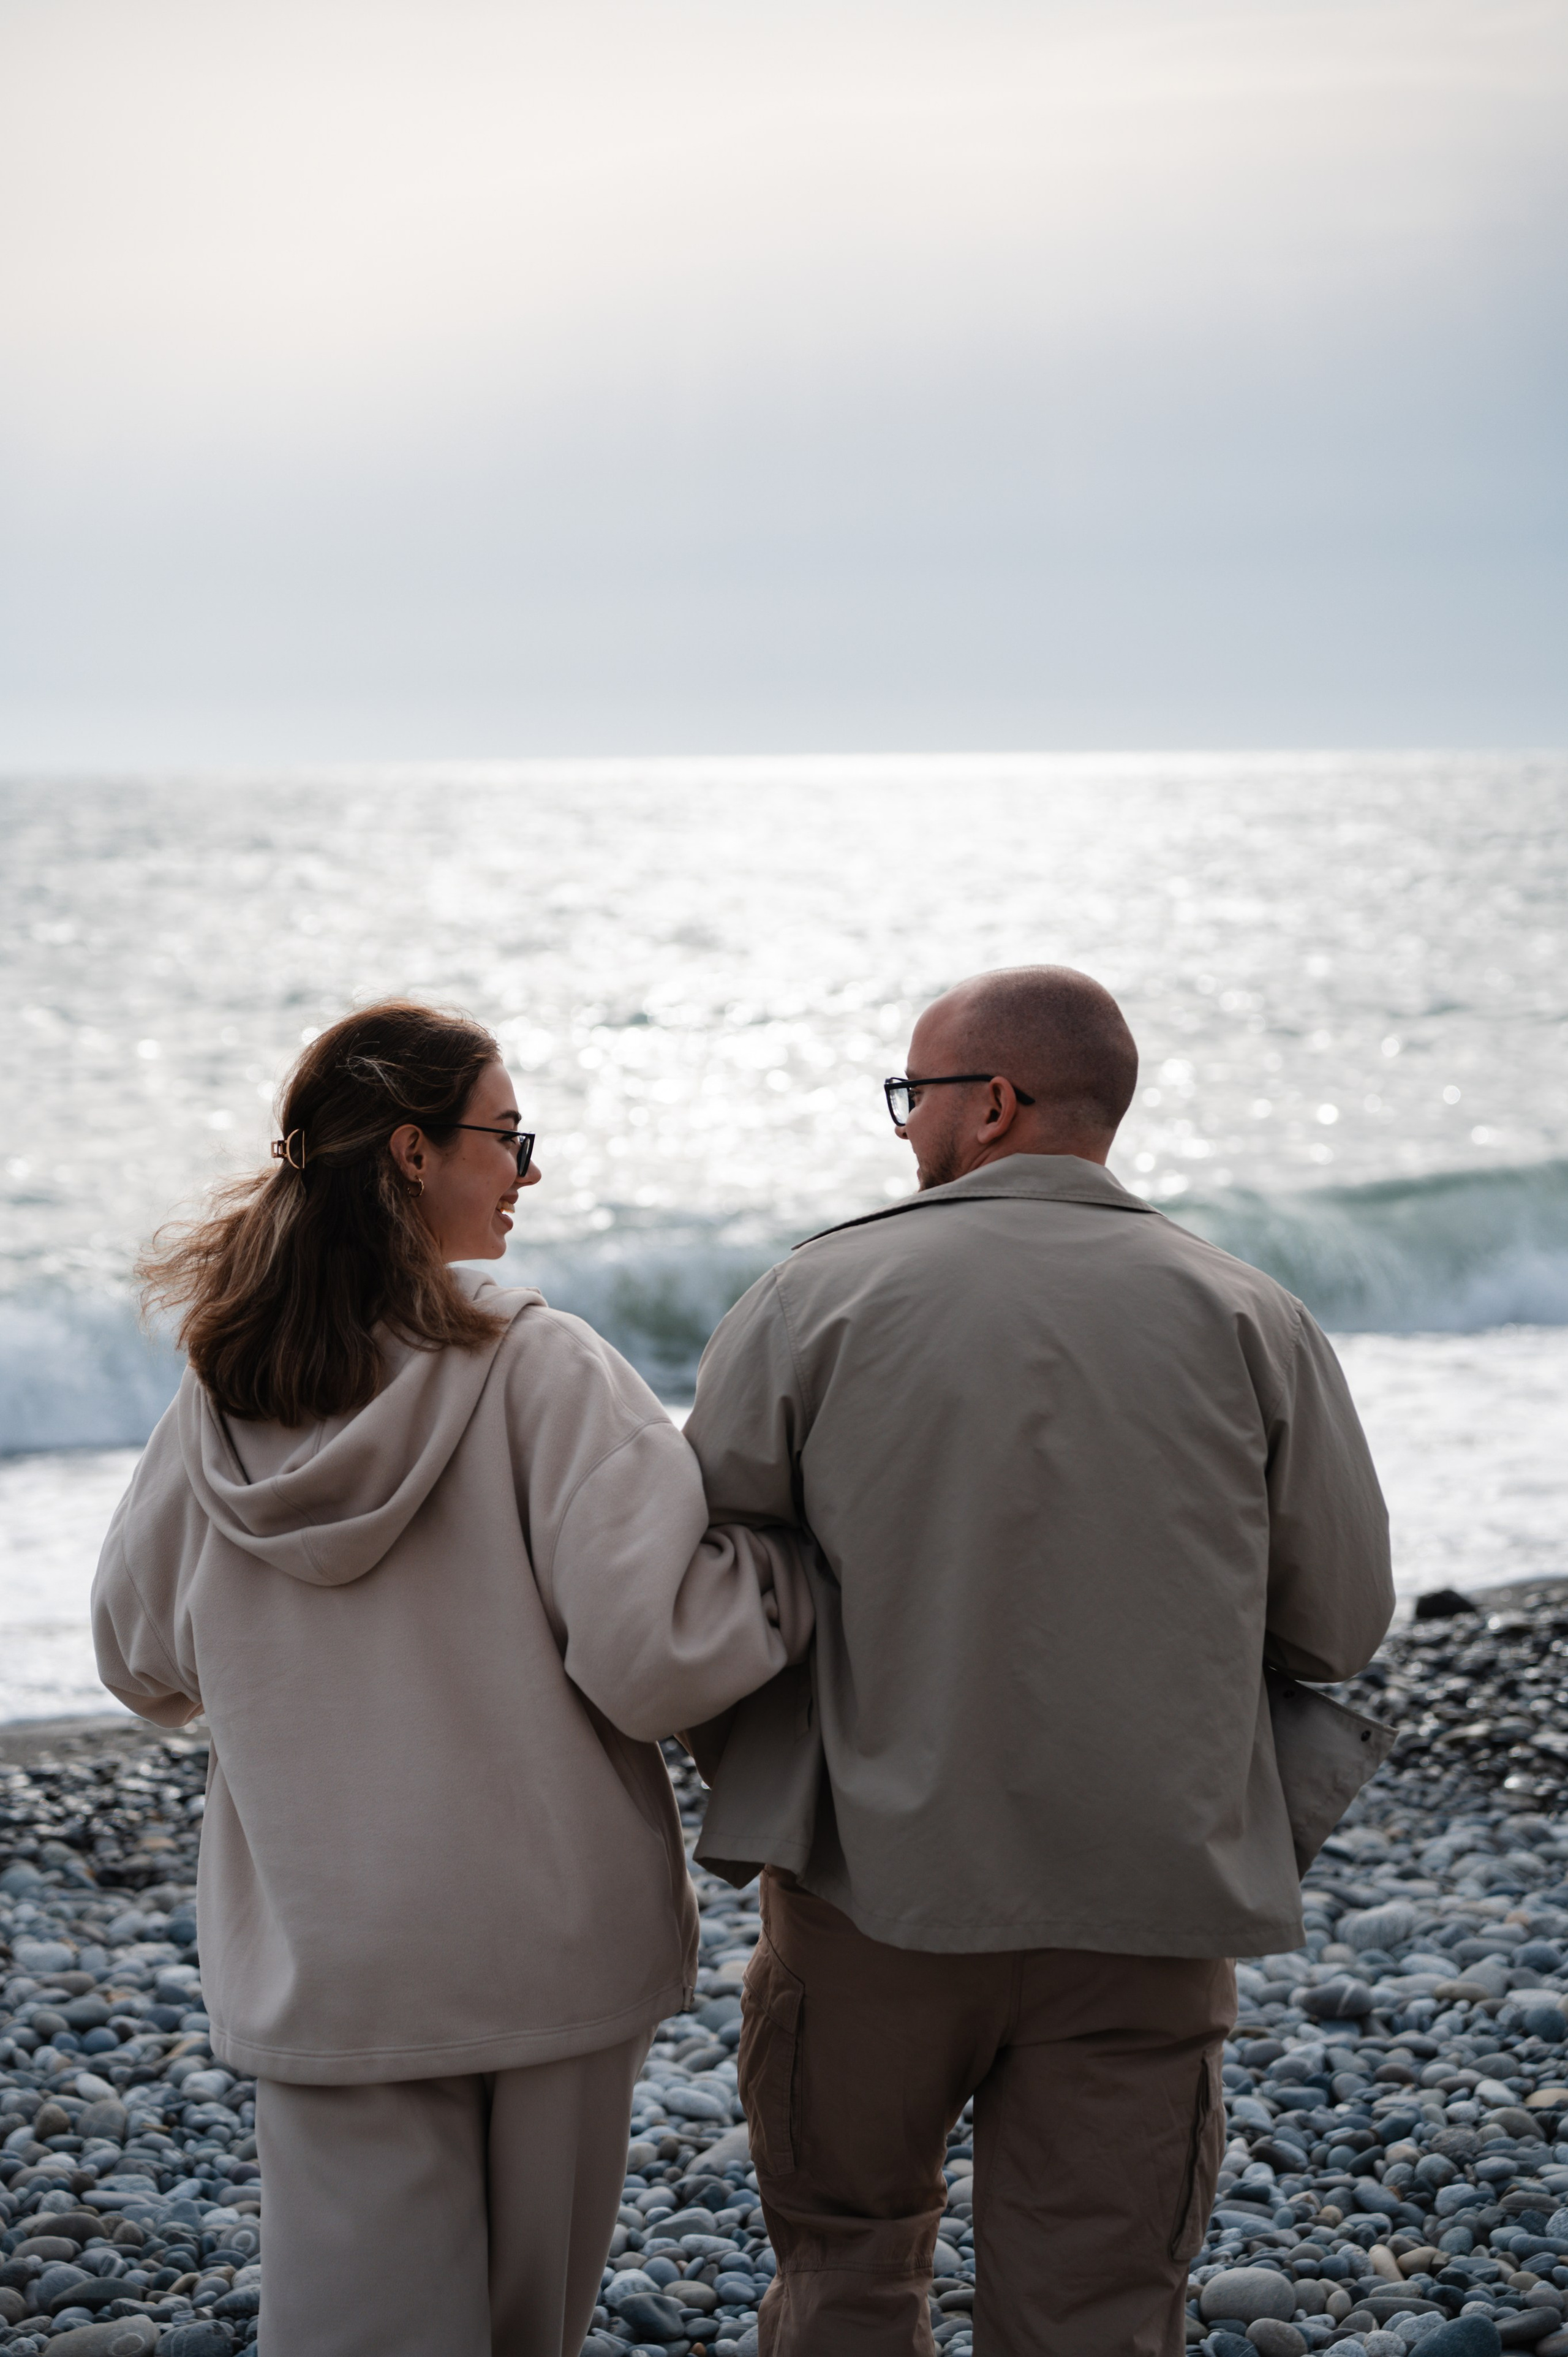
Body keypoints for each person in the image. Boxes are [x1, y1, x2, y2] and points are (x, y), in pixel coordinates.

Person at [681, 965, 1393, 2357]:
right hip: (1147, 1895)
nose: (903, 1128)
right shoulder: (1248, 1314)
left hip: (869, 1883)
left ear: (991, 1102)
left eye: (914, 1094)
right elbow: (1337, 1625)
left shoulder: (812, 1293)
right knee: (1097, 2308)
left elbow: (701, 1589)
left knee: (844, 2268)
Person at [91, 999, 813, 2357]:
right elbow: (651, 1660)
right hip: (539, 1938)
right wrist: (781, 1575)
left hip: (329, 1944)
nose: (527, 1172)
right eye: (509, 1137)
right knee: (517, 2327)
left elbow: (138, 1658)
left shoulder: (223, 1390)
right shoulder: (540, 1362)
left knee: (357, 2326)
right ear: (415, 1152)